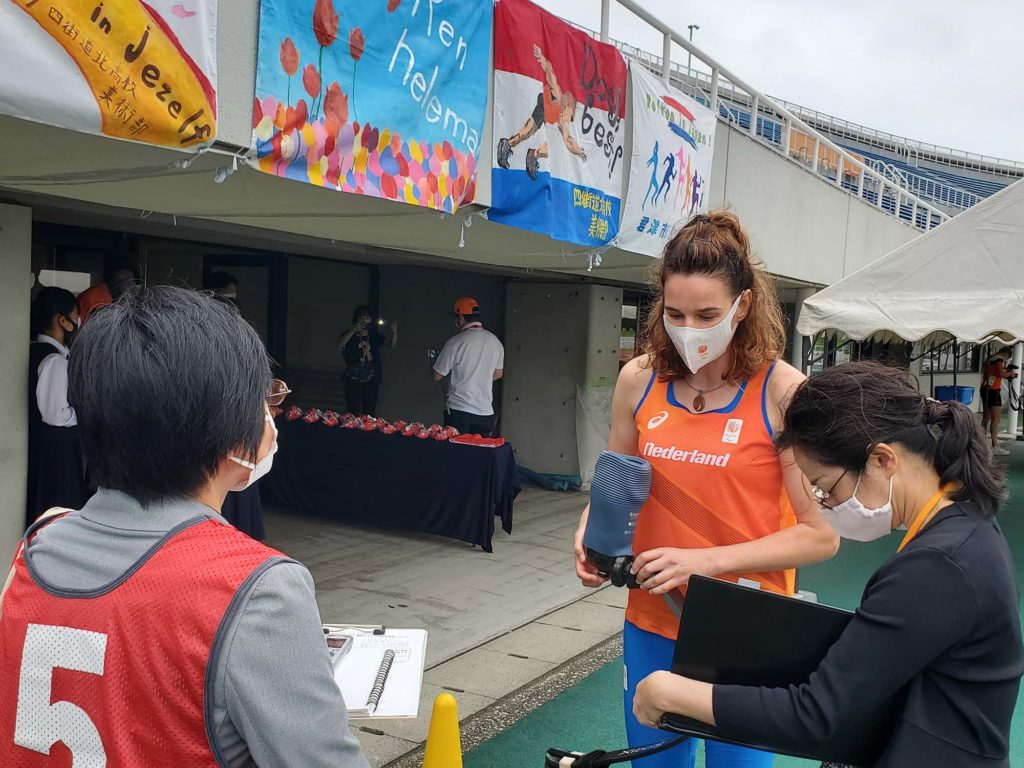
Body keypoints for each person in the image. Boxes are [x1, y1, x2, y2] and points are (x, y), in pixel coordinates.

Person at [0, 287, 369, 768]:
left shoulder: (39, 544)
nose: (269, 415)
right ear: (225, 426)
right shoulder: (258, 587)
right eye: (265, 399)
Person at [634, 361, 1023, 768]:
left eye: (825, 488)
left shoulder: (936, 566)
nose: (828, 506)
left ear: (881, 461)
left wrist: (671, 693)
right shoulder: (966, 525)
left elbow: (815, 716)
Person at [572, 211, 839, 768]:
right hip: (651, 620)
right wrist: (587, 533)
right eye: (674, 314)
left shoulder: (783, 391)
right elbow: (613, 479)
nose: (689, 328)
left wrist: (705, 563)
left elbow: (821, 537)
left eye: (707, 314)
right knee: (651, 762)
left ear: (743, 306)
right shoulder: (639, 379)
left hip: (746, 631)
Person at [26, 287, 89, 529]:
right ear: (62, 320)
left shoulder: (36, 351)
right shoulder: (54, 360)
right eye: (76, 316)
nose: (78, 322)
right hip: (56, 456)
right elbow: (56, 415)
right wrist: (85, 414)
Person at [496, 44, 587, 181]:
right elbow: (550, 73)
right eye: (571, 116)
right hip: (543, 105)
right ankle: (507, 144)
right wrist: (543, 59)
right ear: (568, 105)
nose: (569, 120)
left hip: (547, 113)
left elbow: (569, 141)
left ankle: (533, 155)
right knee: (528, 131)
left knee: (555, 144)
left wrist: (579, 151)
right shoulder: (558, 95)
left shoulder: (562, 122)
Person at [433, 297, 505, 437]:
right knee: (478, 456)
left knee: (456, 455)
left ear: (460, 318)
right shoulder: (495, 342)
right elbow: (498, 375)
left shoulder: (455, 342)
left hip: (459, 411)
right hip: (485, 413)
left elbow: (437, 375)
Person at [339, 305, 397, 416]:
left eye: (367, 317)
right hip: (353, 377)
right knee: (352, 410)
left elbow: (391, 345)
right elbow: (340, 345)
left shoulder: (374, 336)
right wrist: (353, 330)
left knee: (369, 411)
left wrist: (394, 332)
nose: (365, 320)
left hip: (371, 377)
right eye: (362, 317)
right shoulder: (349, 334)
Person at [980, 345, 1017, 455]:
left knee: (986, 418)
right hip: (993, 391)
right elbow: (1001, 374)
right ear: (1006, 354)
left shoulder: (990, 358)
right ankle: (995, 445)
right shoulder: (999, 359)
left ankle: (979, 442)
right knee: (996, 419)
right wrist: (1010, 374)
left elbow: (994, 372)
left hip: (985, 388)